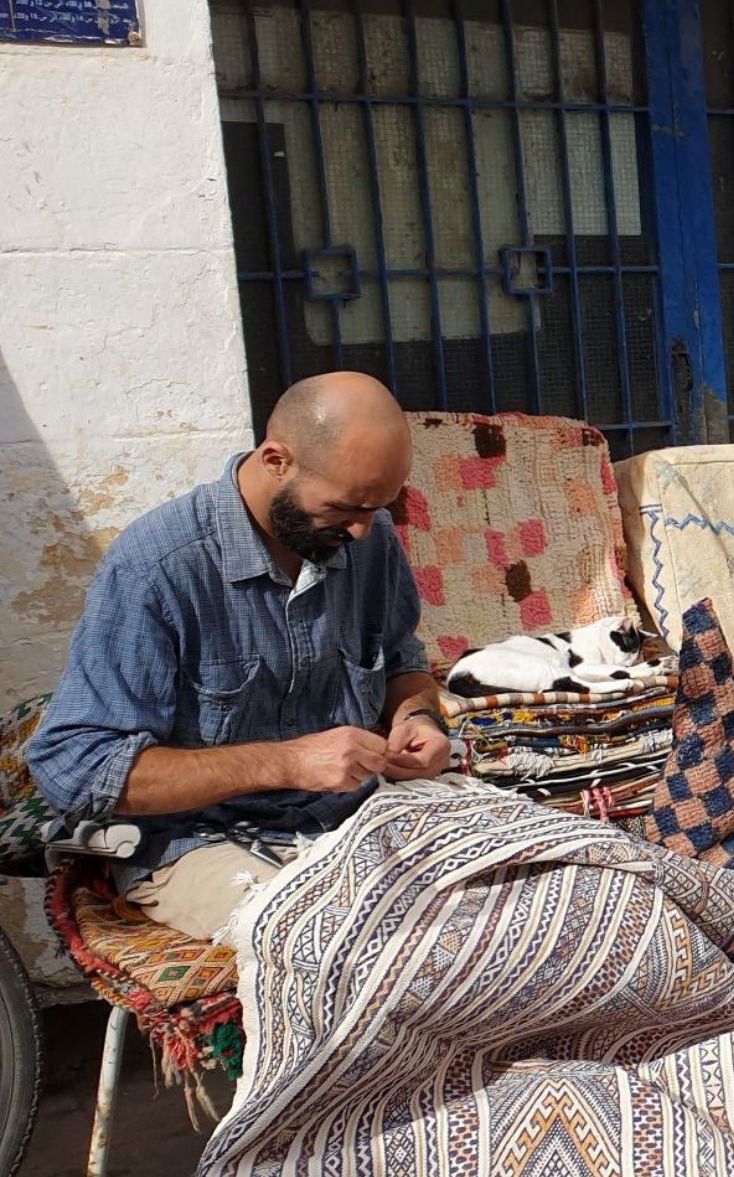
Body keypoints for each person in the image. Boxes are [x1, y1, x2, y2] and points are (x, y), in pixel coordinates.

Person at [27, 372, 451, 941]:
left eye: (379, 507)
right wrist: (286, 762)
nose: (361, 528)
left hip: (356, 815)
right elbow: (77, 769)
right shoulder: (158, 568)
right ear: (276, 459)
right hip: (198, 842)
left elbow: (401, 657)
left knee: (544, 885)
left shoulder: (366, 537)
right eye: (344, 507)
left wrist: (418, 717)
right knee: (338, 943)